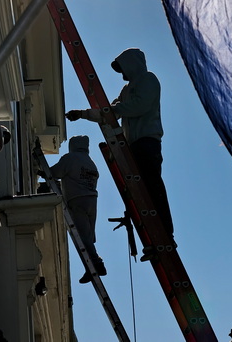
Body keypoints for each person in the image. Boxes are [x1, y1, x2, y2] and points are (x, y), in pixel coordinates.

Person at [66, 48, 174, 262]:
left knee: (152, 188)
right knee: (139, 194)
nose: (122, 74)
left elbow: (137, 106)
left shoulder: (149, 80)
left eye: (123, 68)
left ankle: (166, 236)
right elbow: (110, 112)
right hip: (132, 146)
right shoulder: (126, 89)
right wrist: (83, 114)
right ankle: (153, 242)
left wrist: (113, 110)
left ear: (131, 64)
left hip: (147, 142)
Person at [48, 135, 106, 283]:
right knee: (89, 235)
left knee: (82, 236)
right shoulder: (90, 162)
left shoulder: (71, 158)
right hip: (92, 201)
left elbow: (55, 173)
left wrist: (43, 171)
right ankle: (90, 267)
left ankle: (97, 263)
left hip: (77, 200)